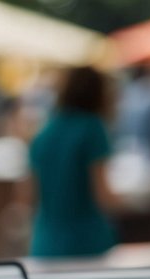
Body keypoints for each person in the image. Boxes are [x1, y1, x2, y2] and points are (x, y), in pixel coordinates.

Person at [25, 65, 117, 258]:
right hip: (86, 246)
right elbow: (103, 197)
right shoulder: (92, 129)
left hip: (45, 246)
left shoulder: (44, 133)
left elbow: (26, 196)